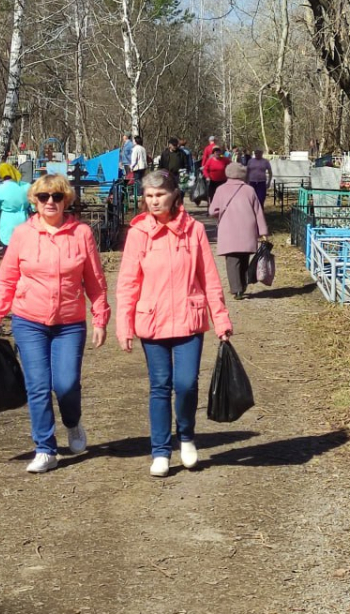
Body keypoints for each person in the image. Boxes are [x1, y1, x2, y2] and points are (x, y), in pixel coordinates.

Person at [0, 174, 110, 474]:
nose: (50, 202)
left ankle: (72, 422)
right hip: (30, 321)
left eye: (56, 196)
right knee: (38, 386)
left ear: (66, 199)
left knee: (65, 385)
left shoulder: (81, 234)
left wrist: (101, 317)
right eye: (43, 197)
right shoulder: (22, 234)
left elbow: (95, 281)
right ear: (35, 201)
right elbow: (7, 279)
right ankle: (45, 448)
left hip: (69, 322)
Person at [116, 170, 233, 477]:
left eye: (160, 195)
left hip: (188, 320)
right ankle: (160, 451)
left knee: (186, 384)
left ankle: (187, 437)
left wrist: (220, 320)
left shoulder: (192, 230)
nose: (154, 201)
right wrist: (123, 324)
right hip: (151, 322)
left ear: (174, 195)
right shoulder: (138, 232)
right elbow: (128, 282)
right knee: (159, 386)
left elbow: (209, 277)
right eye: (149, 196)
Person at [210, 162, 269, 299]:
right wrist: (263, 231)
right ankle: (242, 286)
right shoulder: (249, 190)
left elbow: (213, 210)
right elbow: (258, 212)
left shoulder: (221, 189)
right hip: (247, 229)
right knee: (244, 258)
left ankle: (236, 289)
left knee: (232, 260)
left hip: (228, 230)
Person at [0, 163, 31, 248]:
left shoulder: (0, 190)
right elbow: (34, 207)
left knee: (8, 248)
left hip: (7, 222)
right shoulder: (27, 186)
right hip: (24, 219)